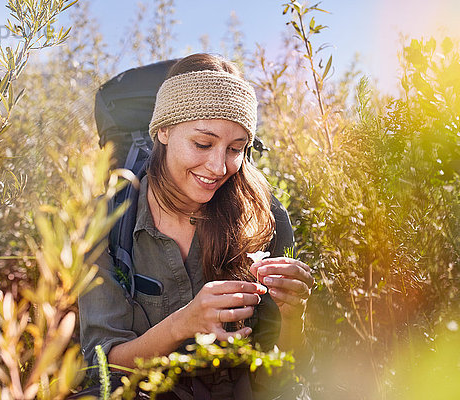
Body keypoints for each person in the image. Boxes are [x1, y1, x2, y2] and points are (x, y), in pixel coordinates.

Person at [78, 53, 314, 399]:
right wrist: (183, 324)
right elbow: (103, 368)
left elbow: (286, 372)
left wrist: (294, 316)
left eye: (236, 149)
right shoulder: (107, 222)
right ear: (164, 130)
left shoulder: (267, 217)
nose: (218, 167)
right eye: (203, 143)